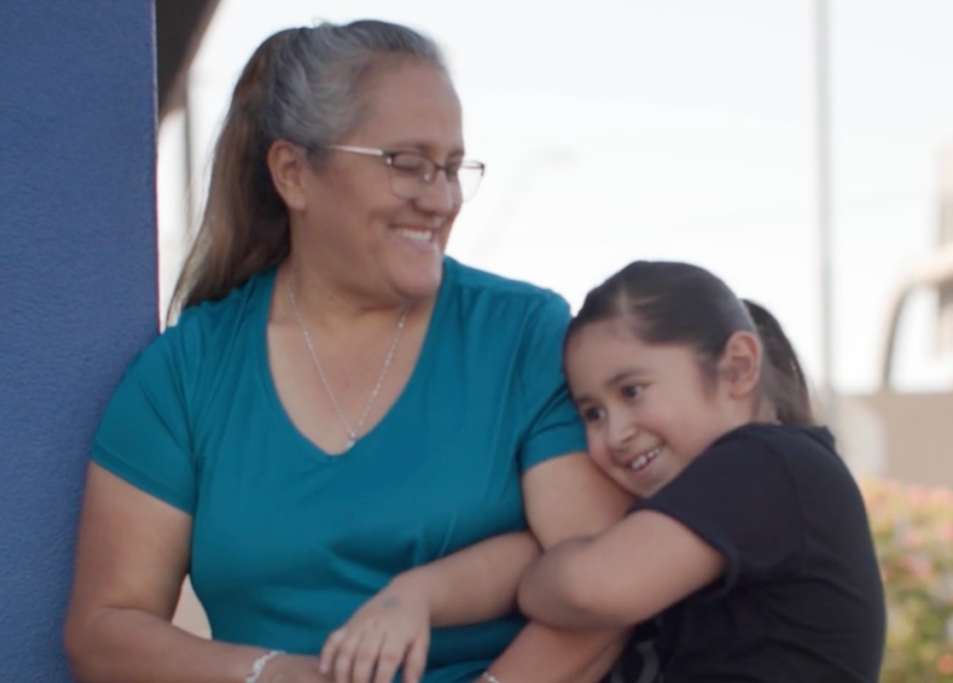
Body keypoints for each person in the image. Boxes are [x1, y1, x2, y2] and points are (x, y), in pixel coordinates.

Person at [63, 19, 632, 683]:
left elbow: (604, 587)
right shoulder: (185, 375)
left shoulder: (525, 336)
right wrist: (271, 675)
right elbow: (105, 630)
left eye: (451, 167)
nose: (441, 198)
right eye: (408, 163)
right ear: (294, 173)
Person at [517, 260, 887, 682]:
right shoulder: (725, 496)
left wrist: (535, 580)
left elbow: (588, 589)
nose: (615, 433)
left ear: (738, 366)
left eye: (632, 391)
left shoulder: (766, 463)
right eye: (593, 413)